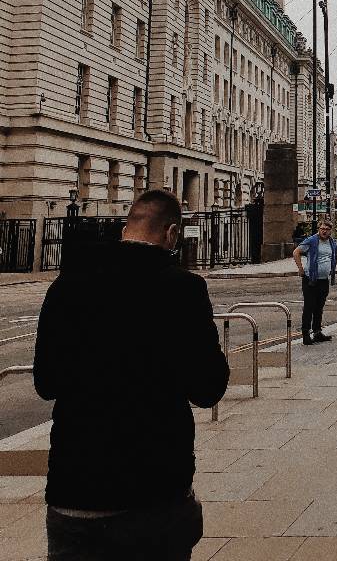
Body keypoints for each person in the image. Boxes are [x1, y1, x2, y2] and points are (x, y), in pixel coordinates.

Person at [33, 190, 229, 561]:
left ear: (127, 227)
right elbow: (208, 388)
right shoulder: (182, 289)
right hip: (153, 492)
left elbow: (45, 383)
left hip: (75, 491)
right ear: (171, 235)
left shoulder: (65, 287)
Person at [293, 218, 337, 344]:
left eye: (327, 229)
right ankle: (306, 333)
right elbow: (296, 252)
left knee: (319, 307)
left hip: (324, 280)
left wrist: (331, 269)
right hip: (311, 279)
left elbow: (333, 257)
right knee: (309, 306)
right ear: (319, 229)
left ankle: (317, 332)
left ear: (330, 231)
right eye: (322, 229)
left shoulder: (332, 242)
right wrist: (300, 268)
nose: (324, 231)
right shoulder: (312, 240)